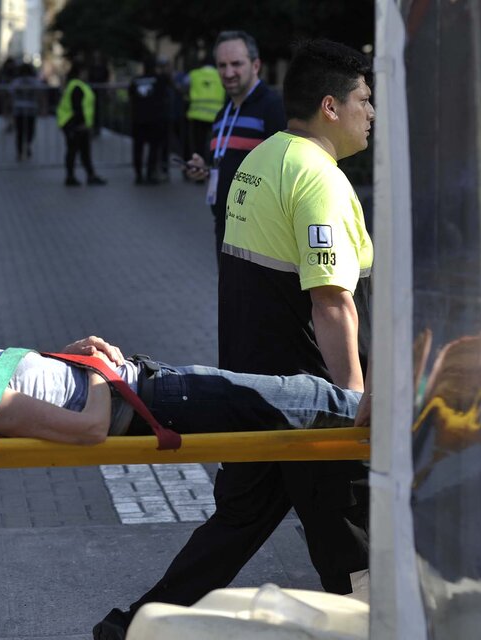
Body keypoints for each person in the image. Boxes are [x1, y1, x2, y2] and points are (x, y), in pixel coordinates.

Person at [95, 39, 375, 640]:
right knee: (350, 545)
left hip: (251, 389)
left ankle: (133, 627)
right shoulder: (318, 177)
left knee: (239, 522)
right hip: (307, 402)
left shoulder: (262, 159)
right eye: (363, 100)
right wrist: (352, 403)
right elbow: (332, 301)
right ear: (331, 106)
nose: (371, 113)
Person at [0, 336, 360, 442]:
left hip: (149, 383)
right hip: (154, 400)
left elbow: (48, 386)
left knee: (297, 400)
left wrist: (71, 351)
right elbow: (89, 428)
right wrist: (98, 373)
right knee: (304, 395)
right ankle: (403, 419)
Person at [182, 31, 287, 259]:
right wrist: (205, 169)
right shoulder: (222, 114)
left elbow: (284, 172)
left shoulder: (272, 108)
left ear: (256, 64)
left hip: (259, 235)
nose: (228, 73)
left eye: (236, 64)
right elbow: (226, 164)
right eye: (222, 65)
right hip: (225, 229)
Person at [57, 64, 107, 187]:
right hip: (74, 124)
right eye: (84, 72)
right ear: (79, 73)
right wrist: (81, 124)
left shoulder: (76, 86)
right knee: (74, 151)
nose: (86, 74)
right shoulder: (77, 87)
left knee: (82, 151)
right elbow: (77, 107)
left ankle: (88, 175)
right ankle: (72, 177)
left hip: (73, 124)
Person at [128, 57, 168, 184]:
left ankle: (138, 175)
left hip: (138, 119)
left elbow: (131, 95)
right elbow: (164, 95)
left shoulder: (135, 81)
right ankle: (150, 174)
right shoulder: (159, 80)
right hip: (154, 119)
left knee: (138, 148)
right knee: (153, 148)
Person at [184, 55, 224, 161]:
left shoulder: (193, 74)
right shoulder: (221, 75)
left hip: (197, 115)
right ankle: (211, 166)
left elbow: (184, 87)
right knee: (214, 144)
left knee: (198, 144)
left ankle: (198, 167)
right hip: (216, 116)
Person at [11, 62, 43, 161]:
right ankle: (22, 150)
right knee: (26, 131)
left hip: (25, 110)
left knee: (24, 132)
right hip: (25, 110)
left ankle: (23, 149)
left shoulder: (19, 82)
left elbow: (41, 95)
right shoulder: (18, 82)